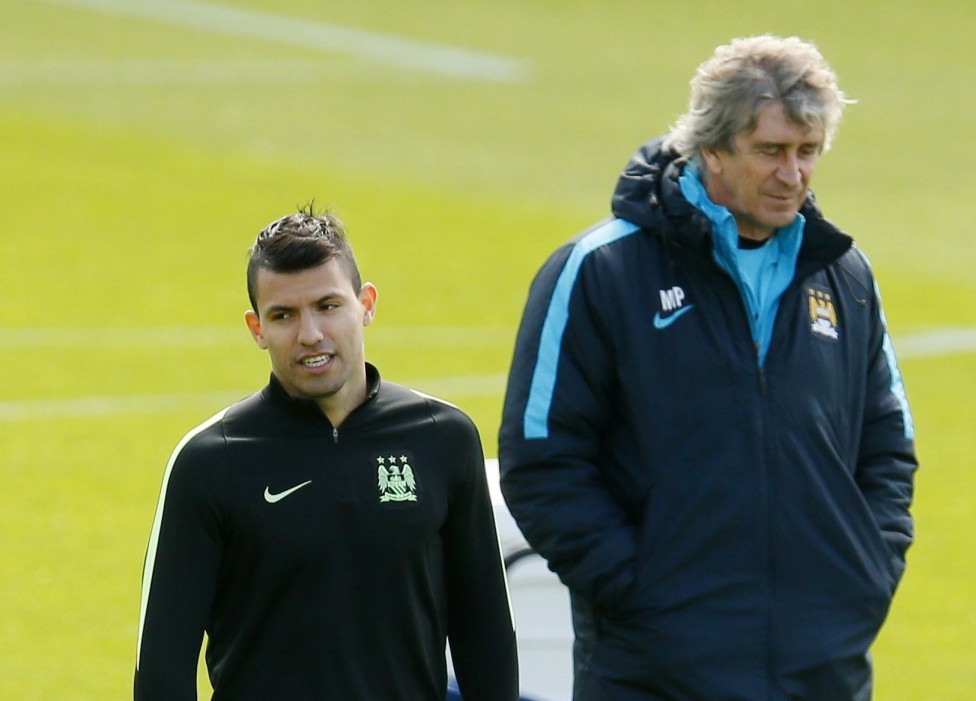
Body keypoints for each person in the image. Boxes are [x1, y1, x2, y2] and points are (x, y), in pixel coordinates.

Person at [499, 35, 916, 701]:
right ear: (712, 147)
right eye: (772, 151)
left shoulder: (843, 275)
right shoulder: (600, 271)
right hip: (657, 674)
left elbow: (888, 446)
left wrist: (861, 575)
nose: (794, 174)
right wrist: (646, 591)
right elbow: (542, 460)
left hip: (821, 669)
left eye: (808, 152)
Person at [135, 205, 518, 700]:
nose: (310, 334)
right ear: (256, 329)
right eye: (284, 315)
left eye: (328, 305)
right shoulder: (213, 460)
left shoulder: (442, 438)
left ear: (367, 304)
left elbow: (485, 637)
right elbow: (161, 669)